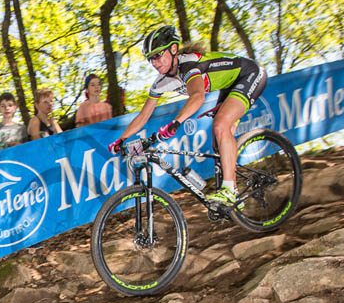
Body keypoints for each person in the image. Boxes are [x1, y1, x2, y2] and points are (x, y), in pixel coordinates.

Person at [107, 25, 267, 207]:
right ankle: (234, 196)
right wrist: (122, 139)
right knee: (218, 140)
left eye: (158, 55)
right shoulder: (161, 82)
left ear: (173, 49)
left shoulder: (189, 65)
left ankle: (230, 189)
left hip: (250, 74)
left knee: (221, 125)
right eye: (151, 59)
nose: (155, 63)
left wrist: (176, 123)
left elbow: (198, 96)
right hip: (229, 85)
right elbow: (143, 116)